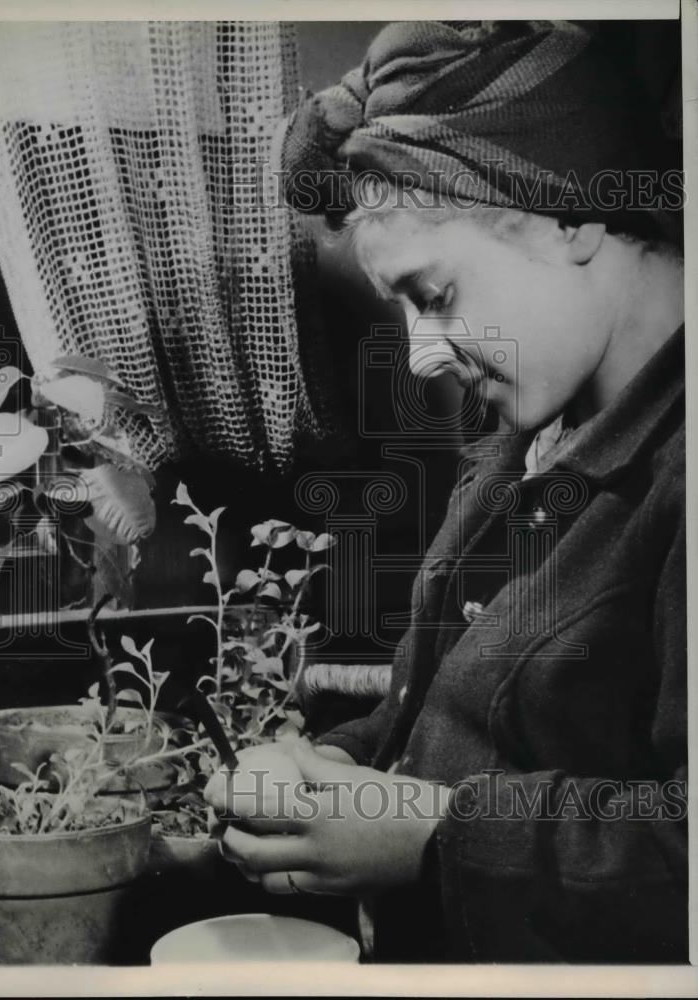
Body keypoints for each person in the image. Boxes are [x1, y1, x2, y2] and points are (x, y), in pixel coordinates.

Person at [205, 20, 686, 963]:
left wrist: (429, 833)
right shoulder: (527, 442)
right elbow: (448, 712)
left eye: (434, 294)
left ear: (569, 216)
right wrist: (330, 771)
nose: (422, 352)